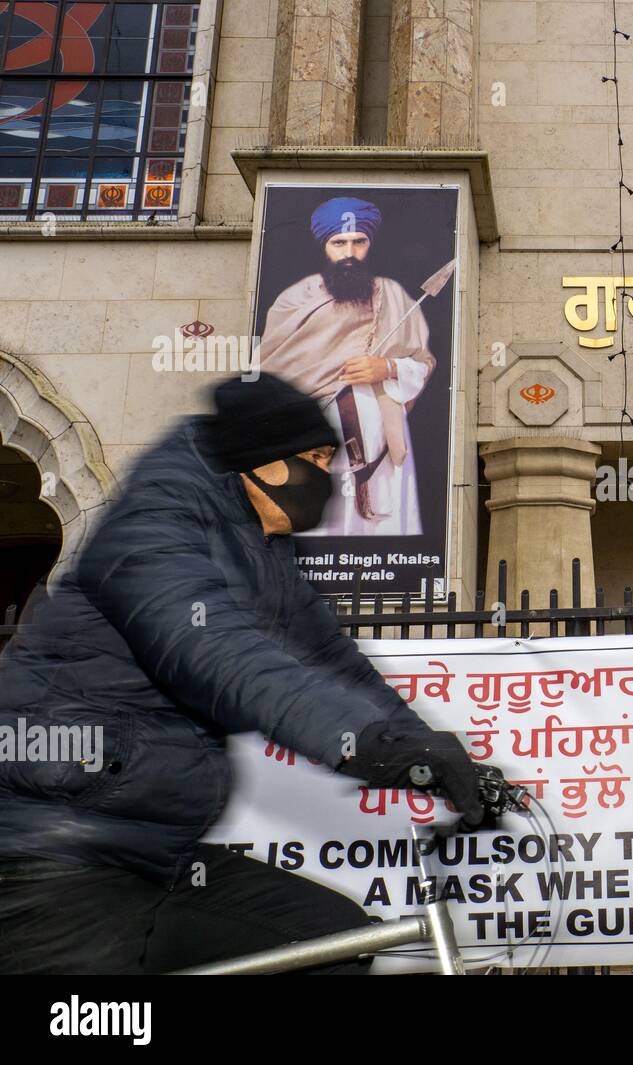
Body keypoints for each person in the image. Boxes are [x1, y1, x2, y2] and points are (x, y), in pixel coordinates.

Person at [0, 374, 482, 974]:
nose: (327, 478)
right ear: (264, 463)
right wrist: (370, 746)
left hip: (155, 852)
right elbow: (224, 659)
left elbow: (331, 662)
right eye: (315, 459)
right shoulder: (153, 536)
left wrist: (431, 751)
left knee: (327, 943)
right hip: (53, 848)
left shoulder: (261, 552)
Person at [257, 195, 445, 536]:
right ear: (324, 246)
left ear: (369, 245)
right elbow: (271, 374)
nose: (348, 252)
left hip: (379, 439)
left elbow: (422, 362)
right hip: (313, 436)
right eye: (338, 242)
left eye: (358, 242)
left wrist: (387, 368)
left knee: (381, 526)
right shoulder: (294, 300)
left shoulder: (391, 294)